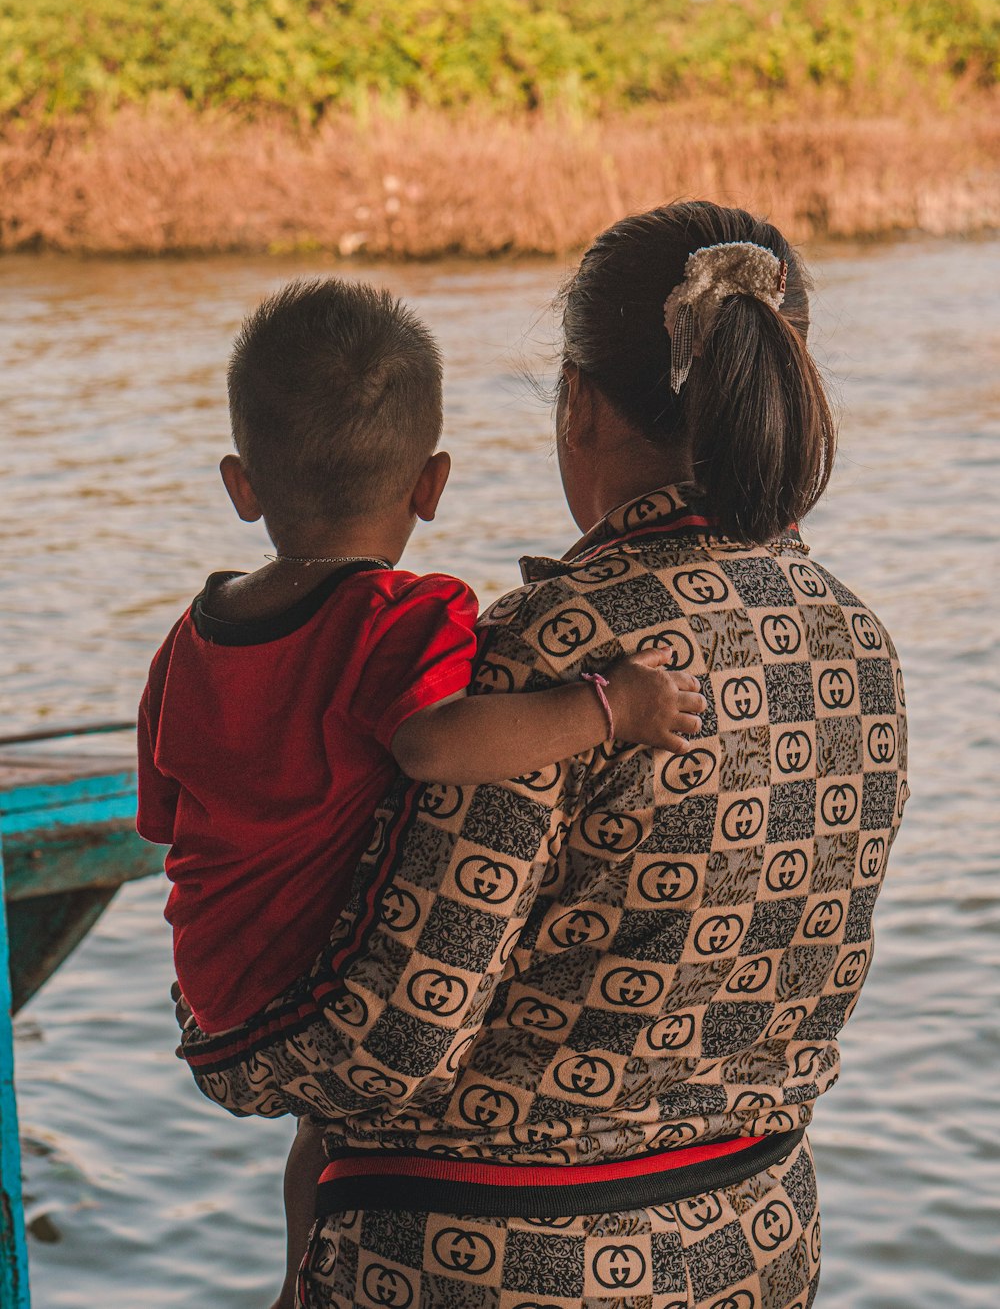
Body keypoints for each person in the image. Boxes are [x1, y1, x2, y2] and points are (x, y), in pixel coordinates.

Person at [177, 202, 908, 1309]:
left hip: (491, 1262)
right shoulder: (857, 640)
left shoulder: (551, 655)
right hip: (754, 1242)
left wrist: (224, 1035)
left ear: (577, 403)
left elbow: (395, 1038)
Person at [137, 279, 704, 1039]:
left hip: (209, 981)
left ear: (242, 487)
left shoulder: (186, 642)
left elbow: (163, 819)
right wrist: (611, 706)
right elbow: (435, 743)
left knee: (324, 1140)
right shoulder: (402, 615)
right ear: (430, 485)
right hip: (307, 981)